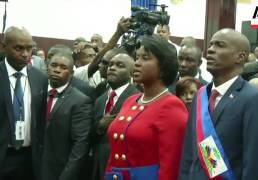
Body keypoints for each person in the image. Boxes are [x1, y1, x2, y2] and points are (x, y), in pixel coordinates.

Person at [179, 28, 258, 180]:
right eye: (210, 45)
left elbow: (256, 164)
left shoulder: (254, 99)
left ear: (240, 57)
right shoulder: (201, 95)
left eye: (220, 45)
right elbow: (189, 153)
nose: (210, 50)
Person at [105, 35, 188, 180]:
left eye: (145, 58)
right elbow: (114, 155)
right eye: (137, 57)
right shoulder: (130, 101)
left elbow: (170, 168)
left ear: (163, 68)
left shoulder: (171, 106)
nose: (137, 63)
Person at [0, 26, 48, 180]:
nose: (26, 54)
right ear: (4, 47)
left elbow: (40, 120)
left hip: (29, 158)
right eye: (19, 48)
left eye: (29, 48)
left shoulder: (40, 78)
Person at [42, 51, 93, 180]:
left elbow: (80, 144)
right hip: (32, 167)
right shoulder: (37, 92)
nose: (57, 70)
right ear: (47, 67)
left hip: (60, 170)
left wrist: (67, 176)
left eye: (63, 68)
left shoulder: (80, 101)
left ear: (71, 73)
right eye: (54, 65)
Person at [91, 53, 139, 180]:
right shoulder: (100, 99)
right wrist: (100, 126)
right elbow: (89, 136)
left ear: (131, 73)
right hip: (96, 167)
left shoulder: (137, 99)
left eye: (120, 65)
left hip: (121, 169)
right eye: (110, 64)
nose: (112, 68)